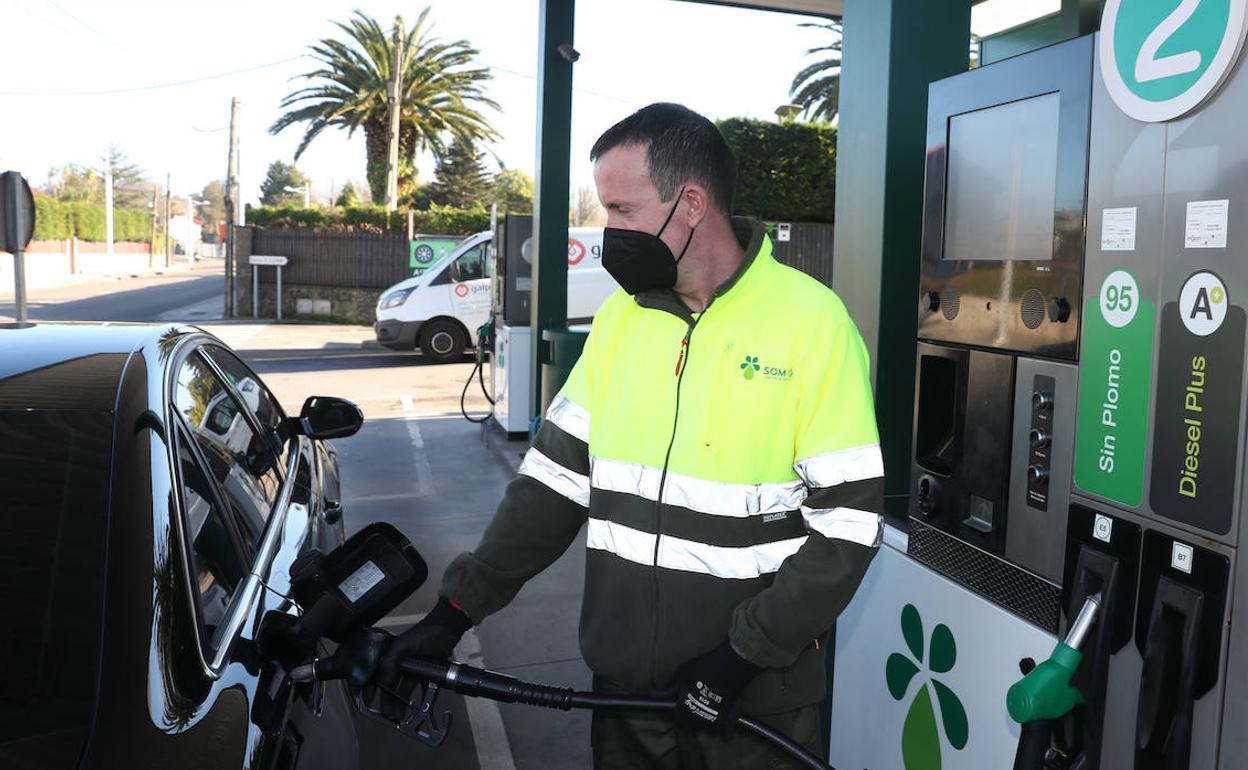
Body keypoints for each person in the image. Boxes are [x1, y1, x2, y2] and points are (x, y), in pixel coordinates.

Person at [381, 102, 884, 769]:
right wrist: (454, 612)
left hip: (751, 701)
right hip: (624, 694)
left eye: (622, 211)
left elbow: (848, 524)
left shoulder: (812, 325)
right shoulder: (621, 320)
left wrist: (744, 654)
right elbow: (553, 486)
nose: (607, 230)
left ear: (692, 203)